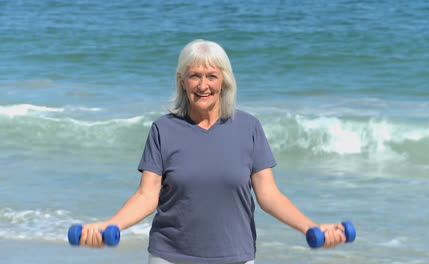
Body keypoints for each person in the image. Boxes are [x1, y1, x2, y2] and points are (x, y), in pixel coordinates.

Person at [79, 39, 346, 264]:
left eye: (212, 76)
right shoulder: (163, 129)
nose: (203, 85)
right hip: (170, 257)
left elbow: (269, 195)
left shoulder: (249, 127)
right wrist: (108, 225)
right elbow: (146, 196)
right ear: (182, 81)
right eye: (194, 76)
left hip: (235, 257)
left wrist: (311, 227)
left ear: (224, 81)